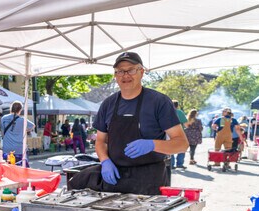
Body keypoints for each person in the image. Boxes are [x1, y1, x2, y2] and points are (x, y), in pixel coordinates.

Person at [67, 51, 188, 195]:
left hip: (149, 181)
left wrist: (152, 144)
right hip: (114, 178)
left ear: (141, 72)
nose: (125, 75)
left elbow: (182, 144)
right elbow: (100, 141)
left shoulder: (159, 102)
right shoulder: (108, 104)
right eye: (120, 71)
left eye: (131, 70)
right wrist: (105, 161)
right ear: (115, 75)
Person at [170, 100, 188, 170]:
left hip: (169, 133)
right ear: (177, 106)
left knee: (170, 149)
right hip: (179, 133)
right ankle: (179, 164)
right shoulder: (180, 112)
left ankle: (171, 164)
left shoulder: (166, 112)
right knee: (181, 148)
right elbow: (186, 125)